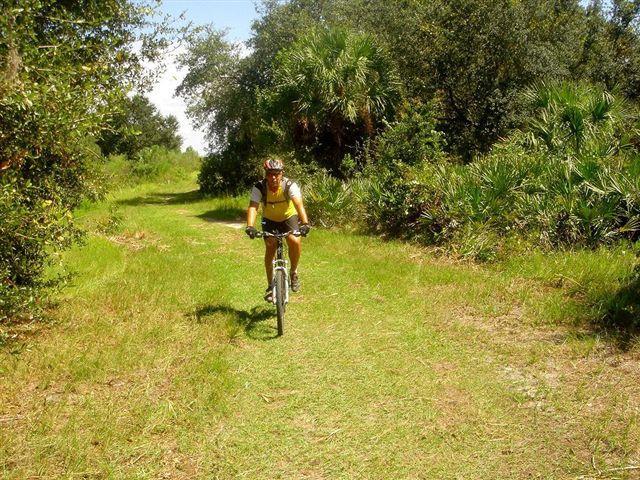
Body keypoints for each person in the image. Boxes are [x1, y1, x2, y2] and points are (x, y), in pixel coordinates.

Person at [245, 157, 310, 302]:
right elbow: (253, 207)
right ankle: (270, 286)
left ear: (282, 173)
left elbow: (299, 204)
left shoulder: (289, 185)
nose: (273, 177)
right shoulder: (260, 187)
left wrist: (305, 223)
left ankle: (293, 272)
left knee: (295, 240)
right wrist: (250, 226)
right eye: (270, 174)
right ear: (265, 174)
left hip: (289, 217)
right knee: (270, 246)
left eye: (277, 173)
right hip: (269, 220)